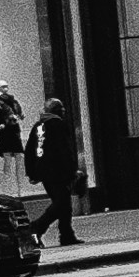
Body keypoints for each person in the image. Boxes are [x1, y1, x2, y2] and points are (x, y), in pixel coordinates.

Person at [22, 94, 80, 244]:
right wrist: (73, 169)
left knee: (63, 205)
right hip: (58, 171)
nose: (64, 111)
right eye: (62, 108)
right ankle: (36, 227)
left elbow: (30, 150)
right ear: (57, 110)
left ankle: (67, 235)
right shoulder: (58, 125)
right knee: (61, 203)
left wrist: (32, 172)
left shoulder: (39, 126)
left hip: (43, 172)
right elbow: (64, 150)